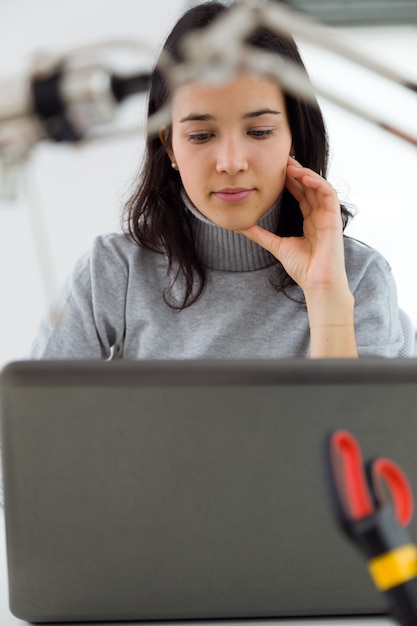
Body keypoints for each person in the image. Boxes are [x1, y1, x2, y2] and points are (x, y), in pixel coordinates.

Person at [30, 0, 406, 360]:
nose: (230, 163)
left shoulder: (357, 278)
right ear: (171, 147)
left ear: (294, 137)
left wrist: (326, 295)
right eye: (201, 136)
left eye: (259, 131)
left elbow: (363, 427)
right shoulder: (115, 272)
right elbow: (31, 419)